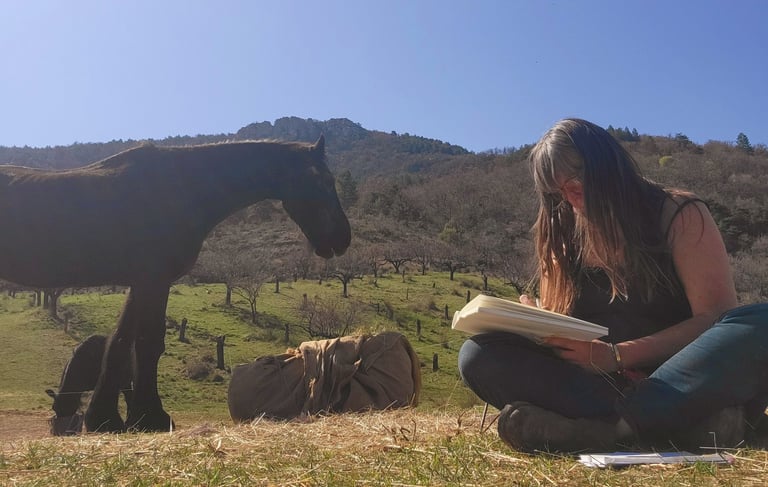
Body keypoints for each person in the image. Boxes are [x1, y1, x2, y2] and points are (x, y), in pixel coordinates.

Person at [457, 118, 768, 453]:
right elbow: (565, 326)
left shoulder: (677, 213)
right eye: (555, 191)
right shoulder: (559, 232)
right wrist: (538, 325)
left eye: (575, 181)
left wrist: (617, 356)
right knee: (477, 354)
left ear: (609, 169)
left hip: (683, 378)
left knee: (759, 324)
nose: (569, 197)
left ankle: (616, 431)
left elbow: (713, 319)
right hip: (602, 388)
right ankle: (685, 425)